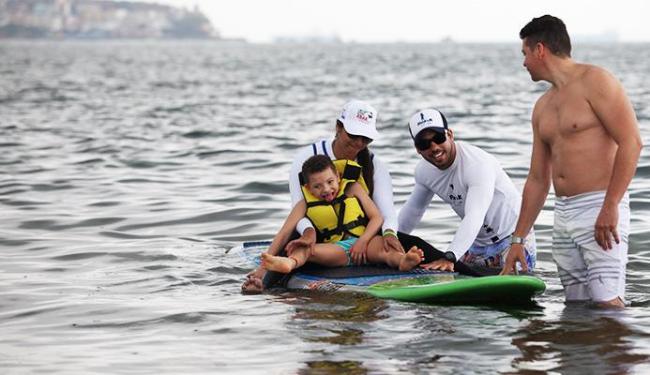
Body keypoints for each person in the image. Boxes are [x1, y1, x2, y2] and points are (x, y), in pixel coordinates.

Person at [242, 99, 468, 293]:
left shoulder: (372, 166)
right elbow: (298, 211)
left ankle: (469, 274)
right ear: (338, 127)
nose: (360, 143)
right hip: (318, 238)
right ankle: (260, 281)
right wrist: (309, 234)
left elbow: (385, 213)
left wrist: (388, 234)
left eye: (366, 138)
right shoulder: (306, 159)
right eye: (354, 135)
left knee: (411, 244)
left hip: (364, 239)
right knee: (293, 248)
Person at [500, 15, 642, 308]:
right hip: (563, 215)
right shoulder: (542, 107)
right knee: (576, 307)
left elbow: (632, 143)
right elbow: (538, 179)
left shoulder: (596, 81)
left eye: (525, 53)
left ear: (540, 49)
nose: (524, 62)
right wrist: (518, 240)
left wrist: (610, 206)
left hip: (600, 207)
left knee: (607, 305)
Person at [398, 108, 537, 273]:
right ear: (417, 149)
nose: (434, 147)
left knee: (514, 291)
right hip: (476, 245)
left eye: (438, 138)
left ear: (450, 134)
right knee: (442, 276)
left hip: (513, 239)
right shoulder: (423, 172)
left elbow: (475, 215)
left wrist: (450, 256)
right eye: (424, 144)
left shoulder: (477, 164)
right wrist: (391, 239)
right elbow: (414, 211)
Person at [260, 155, 424, 274]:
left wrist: (363, 241)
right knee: (306, 249)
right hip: (336, 250)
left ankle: (403, 261)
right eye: (317, 186)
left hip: (366, 245)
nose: (326, 189)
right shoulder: (304, 204)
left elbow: (377, 217)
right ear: (308, 188)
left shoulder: (353, 189)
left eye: (330, 182)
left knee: (385, 248)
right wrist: (261, 269)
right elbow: (283, 234)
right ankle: (289, 263)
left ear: (338, 177)